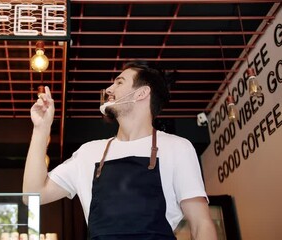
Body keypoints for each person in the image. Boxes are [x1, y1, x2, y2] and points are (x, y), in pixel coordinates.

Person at [23, 62, 217, 239]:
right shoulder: (88, 153)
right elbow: (32, 194)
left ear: (141, 93)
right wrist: (41, 129)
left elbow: (201, 224)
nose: (109, 89)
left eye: (119, 82)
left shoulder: (177, 148)